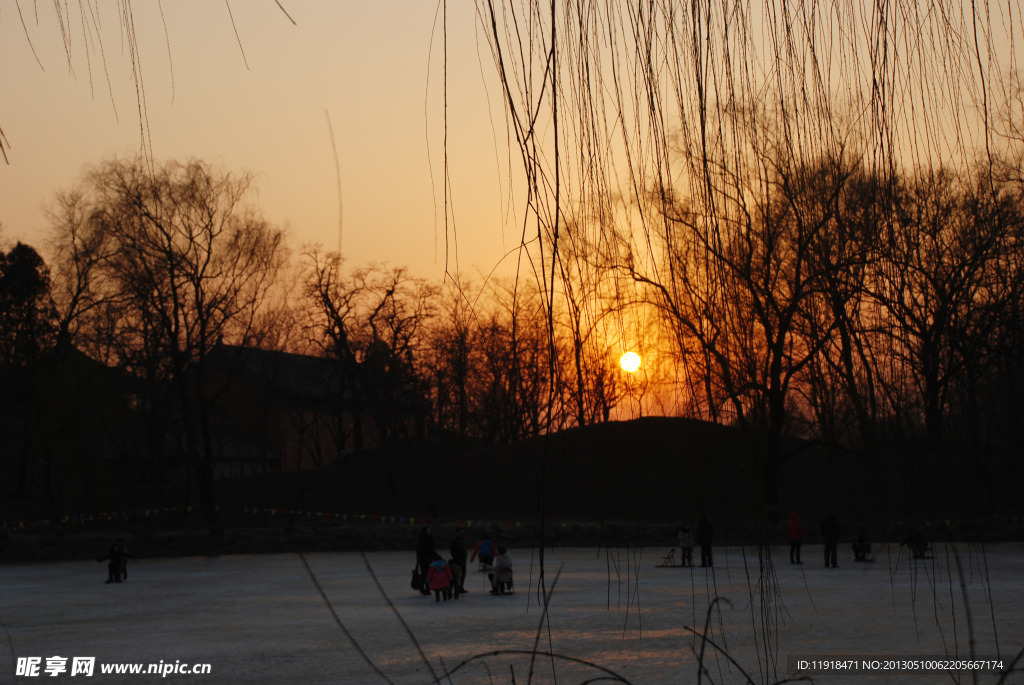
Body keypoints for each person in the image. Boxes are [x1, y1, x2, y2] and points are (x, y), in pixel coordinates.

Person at [415, 526, 436, 595]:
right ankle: (423, 588)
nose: (429, 532)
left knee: (428, 575)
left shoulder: (431, 539)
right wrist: (419, 560)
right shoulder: (421, 540)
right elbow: (419, 550)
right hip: (423, 560)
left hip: (429, 559)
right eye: (428, 530)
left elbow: (432, 549)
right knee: (424, 574)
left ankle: (427, 588)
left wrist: (436, 556)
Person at [450, 527, 469, 594]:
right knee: (458, 575)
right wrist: (456, 558)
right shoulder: (454, 541)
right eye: (461, 532)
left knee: (463, 574)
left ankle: (461, 587)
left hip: (463, 560)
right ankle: (458, 588)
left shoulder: (462, 540)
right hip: (458, 560)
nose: (462, 534)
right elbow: (452, 551)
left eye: (463, 532)